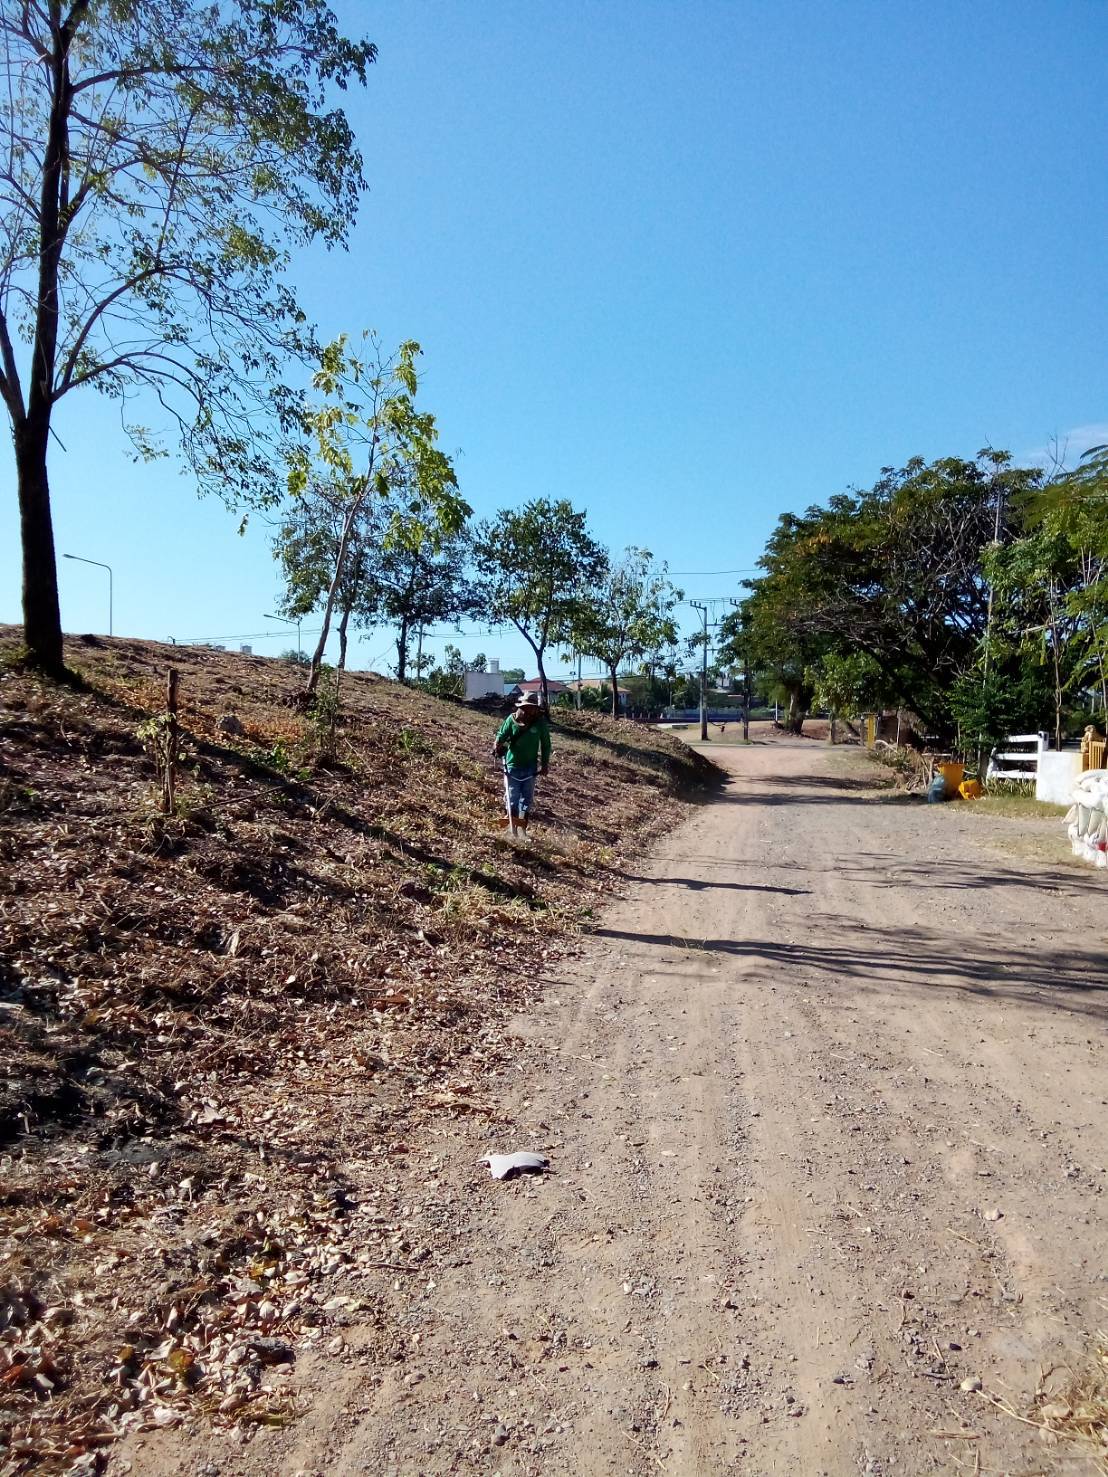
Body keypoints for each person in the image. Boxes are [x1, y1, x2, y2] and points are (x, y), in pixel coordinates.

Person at [493, 691, 551, 830]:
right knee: (512, 798)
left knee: (526, 800)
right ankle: (511, 828)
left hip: (530, 767)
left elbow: (545, 745)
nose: (529, 710)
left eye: (532, 707)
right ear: (522, 707)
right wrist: (497, 746)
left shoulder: (539, 723)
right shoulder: (512, 720)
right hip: (512, 766)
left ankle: (522, 829)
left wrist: (544, 765)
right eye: (527, 707)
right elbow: (500, 737)